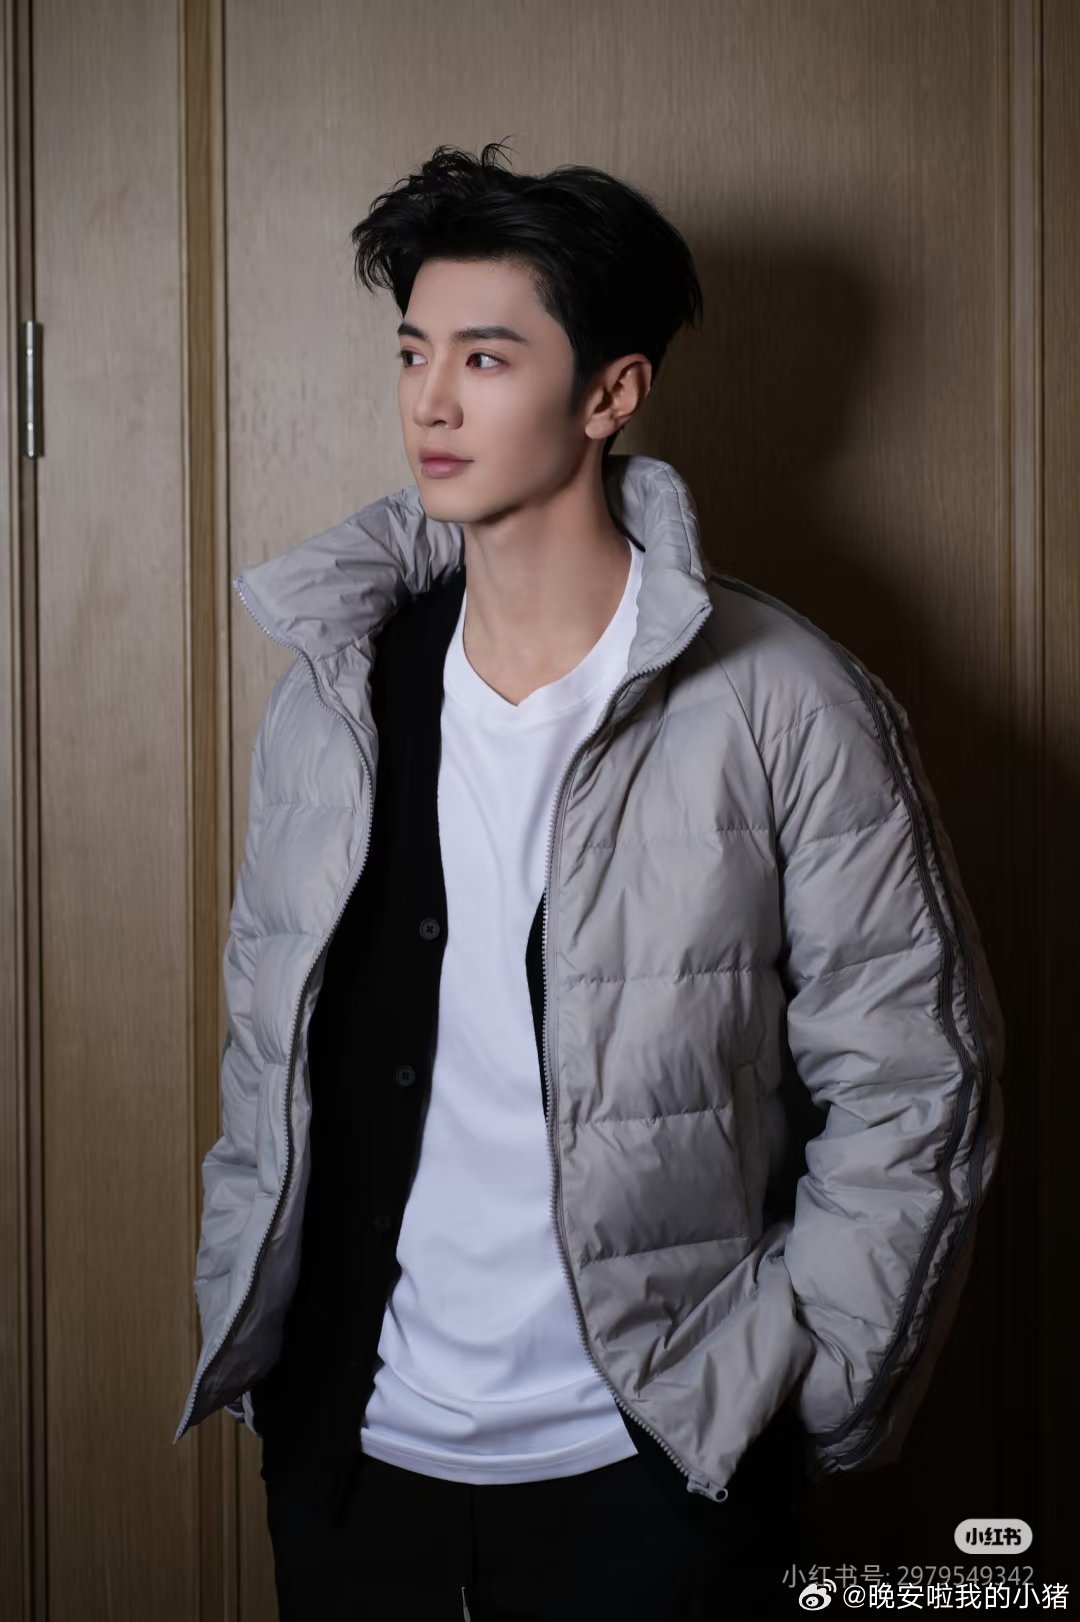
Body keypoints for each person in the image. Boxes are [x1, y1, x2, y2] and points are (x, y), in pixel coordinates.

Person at [174, 140, 1006, 1621]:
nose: (431, 401)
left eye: (486, 357)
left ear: (611, 393)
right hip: (354, 1458)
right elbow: (264, 1056)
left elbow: (915, 1079)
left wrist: (805, 1385)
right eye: (415, 351)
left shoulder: (785, 700)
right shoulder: (334, 700)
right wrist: (253, 1321)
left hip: (656, 1476)